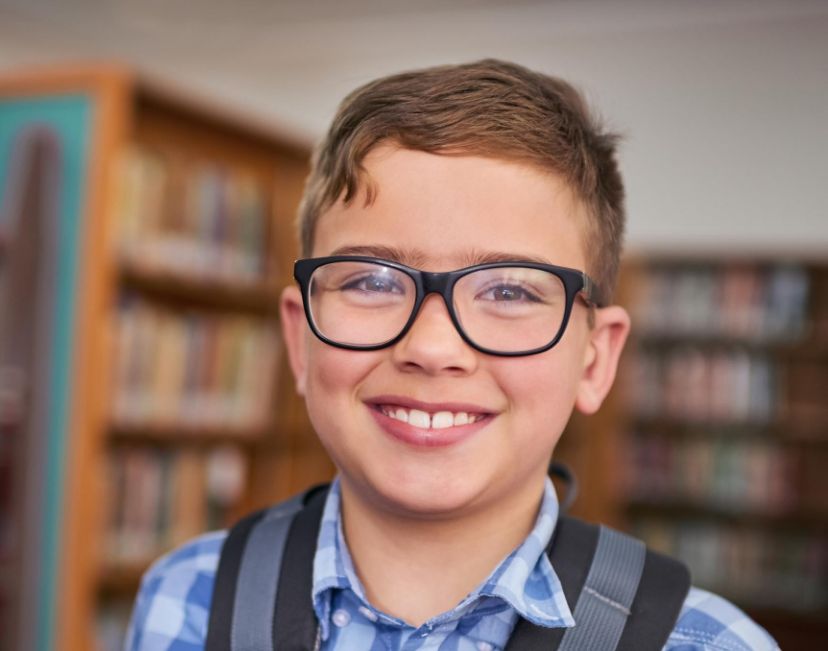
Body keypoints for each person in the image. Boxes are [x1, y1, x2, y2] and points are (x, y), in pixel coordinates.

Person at [125, 59, 778, 651]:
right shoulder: (187, 599)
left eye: (510, 290)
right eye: (371, 281)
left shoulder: (706, 644)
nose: (433, 349)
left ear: (594, 360)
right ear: (300, 338)